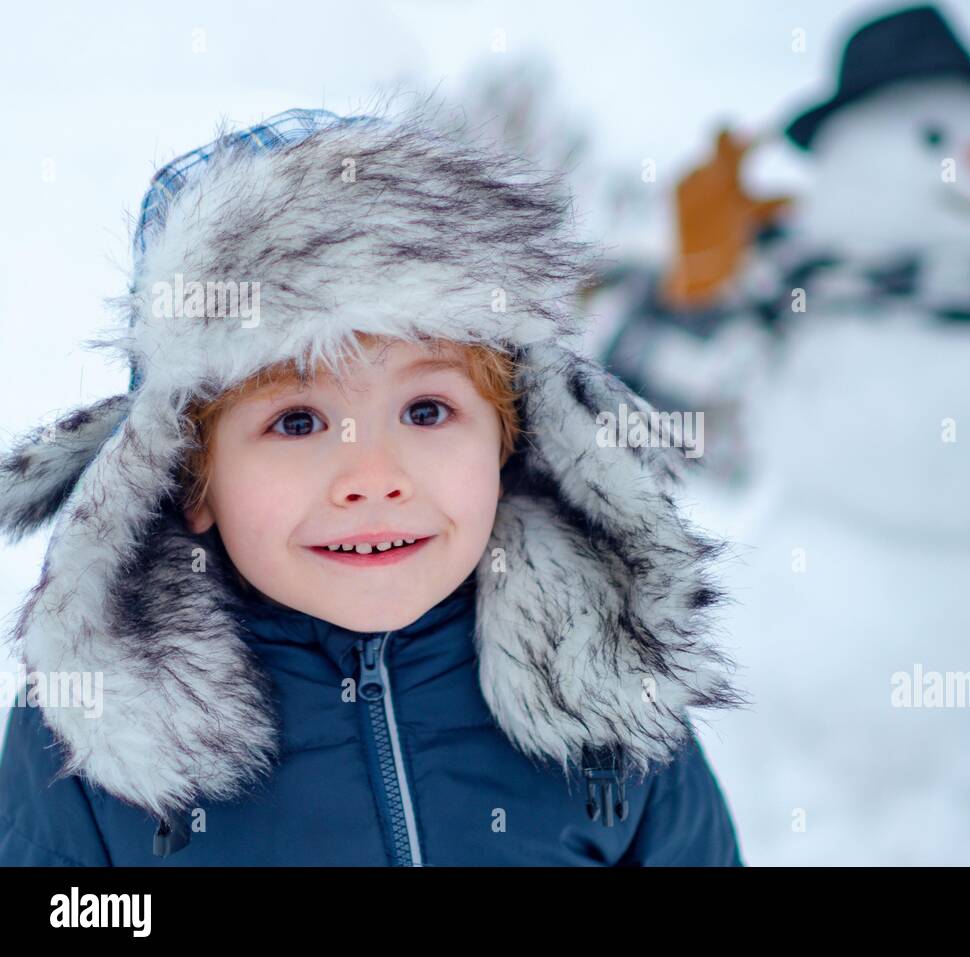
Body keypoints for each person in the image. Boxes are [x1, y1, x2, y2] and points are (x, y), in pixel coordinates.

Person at [0, 104, 747, 866]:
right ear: (187, 474)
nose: (373, 477)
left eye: (426, 410)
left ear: (510, 440)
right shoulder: (99, 720)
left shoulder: (607, 677)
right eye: (296, 422)